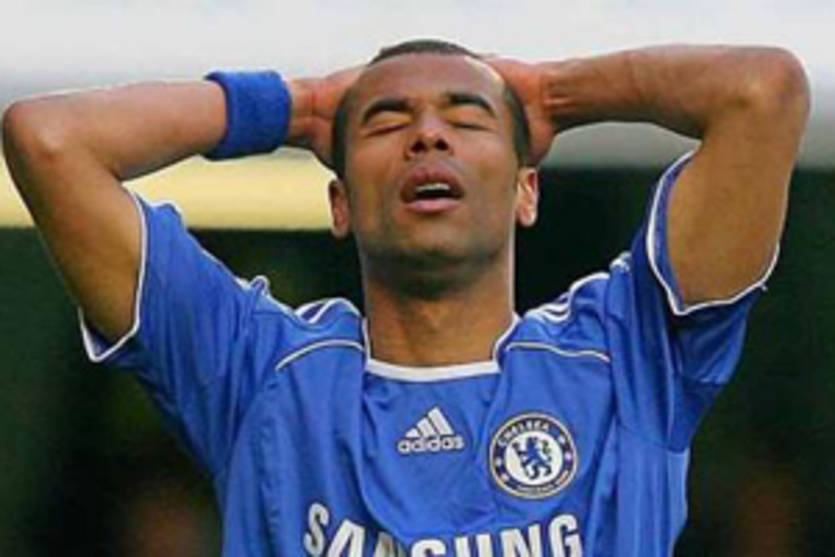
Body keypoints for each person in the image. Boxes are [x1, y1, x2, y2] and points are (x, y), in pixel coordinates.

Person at [2, 39, 809, 556]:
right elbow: (49, 140)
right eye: (386, 122)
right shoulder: (254, 372)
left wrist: (552, 94)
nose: (427, 135)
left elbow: (760, 91)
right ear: (340, 204)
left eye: (467, 119)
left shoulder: (626, 356)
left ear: (526, 190)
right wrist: (296, 105)